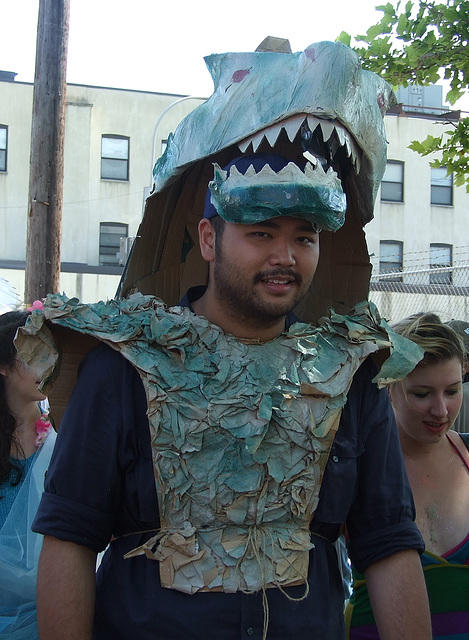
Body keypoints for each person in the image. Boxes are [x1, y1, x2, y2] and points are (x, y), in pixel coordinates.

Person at [29, 41, 432, 639]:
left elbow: (389, 546)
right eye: (261, 232)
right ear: (209, 238)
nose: (285, 257)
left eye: (305, 237)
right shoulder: (125, 365)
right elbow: (70, 538)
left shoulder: (349, 375)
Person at [346, 313, 469, 638]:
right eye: (422, 394)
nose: (441, 410)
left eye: (453, 390)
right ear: (388, 386)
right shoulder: (351, 472)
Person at [0, 310, 56, 639]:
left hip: (47, 610)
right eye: (31, 354)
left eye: (48, 353)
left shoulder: (61, 434)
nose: (44, 364)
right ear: (4, 366)